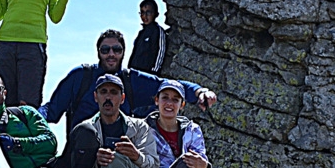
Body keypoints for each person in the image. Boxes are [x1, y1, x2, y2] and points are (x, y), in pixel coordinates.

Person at [25, 74, 159, 168]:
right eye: (103, 92)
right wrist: (97, 165)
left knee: (113, 161)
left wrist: (136, 156)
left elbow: (153, 165)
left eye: (113, 92)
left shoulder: (139, 127)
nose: (108, 97)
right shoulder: (88, 129)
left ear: (122, 98)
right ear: (95, 97)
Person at [41, 30, 217, 125]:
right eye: (105, 50)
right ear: (98, 52)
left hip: (119, 154)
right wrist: (27, 116)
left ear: (124, 52)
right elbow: (52, 110)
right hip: (80, 153)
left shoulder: (131, 80)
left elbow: (167, 86)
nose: (111, 54)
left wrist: (199, 91)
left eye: (116, 50)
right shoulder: (80, 76)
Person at [128, 0, 167, 75]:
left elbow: (161, 51)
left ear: (156, 14)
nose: (145, 16)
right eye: (142, 12)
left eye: (148, 12)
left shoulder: (158, 31)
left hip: (148, 75)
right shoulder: (141, 33)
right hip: (134, 73)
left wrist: (154, 72)